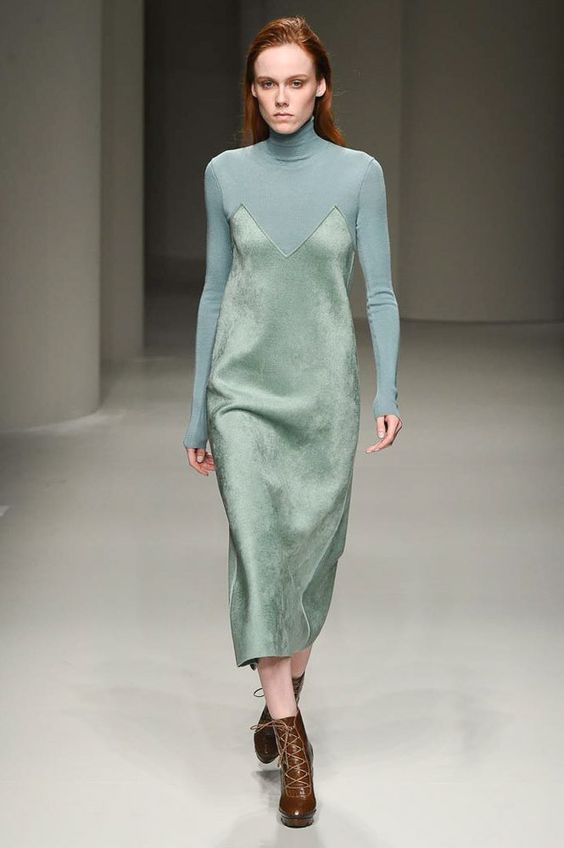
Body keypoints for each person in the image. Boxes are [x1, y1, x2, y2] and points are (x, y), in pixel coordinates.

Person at [182, 15, 402, 827]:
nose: (282, 97)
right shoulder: (225, 173)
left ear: (321, 88)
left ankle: (286, 689)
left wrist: (387, 392)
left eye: (296, 83)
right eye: (268, 83)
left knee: (310, 564)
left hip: (322, 400)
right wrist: (198, 410)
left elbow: (380, 293)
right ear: (253, 90)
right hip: (242, 395)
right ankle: (294, 745)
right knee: (260, 554)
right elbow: (214, 293)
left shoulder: (359, 174)